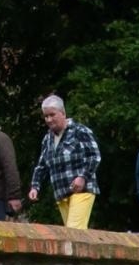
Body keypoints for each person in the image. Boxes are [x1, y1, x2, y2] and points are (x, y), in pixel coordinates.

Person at [27, 95, 101, 229]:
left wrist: (82, 177)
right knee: (71, 234)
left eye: (52, 115)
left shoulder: (80, 131)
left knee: (74, 231)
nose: (49, 119)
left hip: (82, 190)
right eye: (46, 116)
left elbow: (94, 156)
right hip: (61, 192)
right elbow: (41, 165)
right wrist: (35, 186)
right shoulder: (47, 138)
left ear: (63, 113)